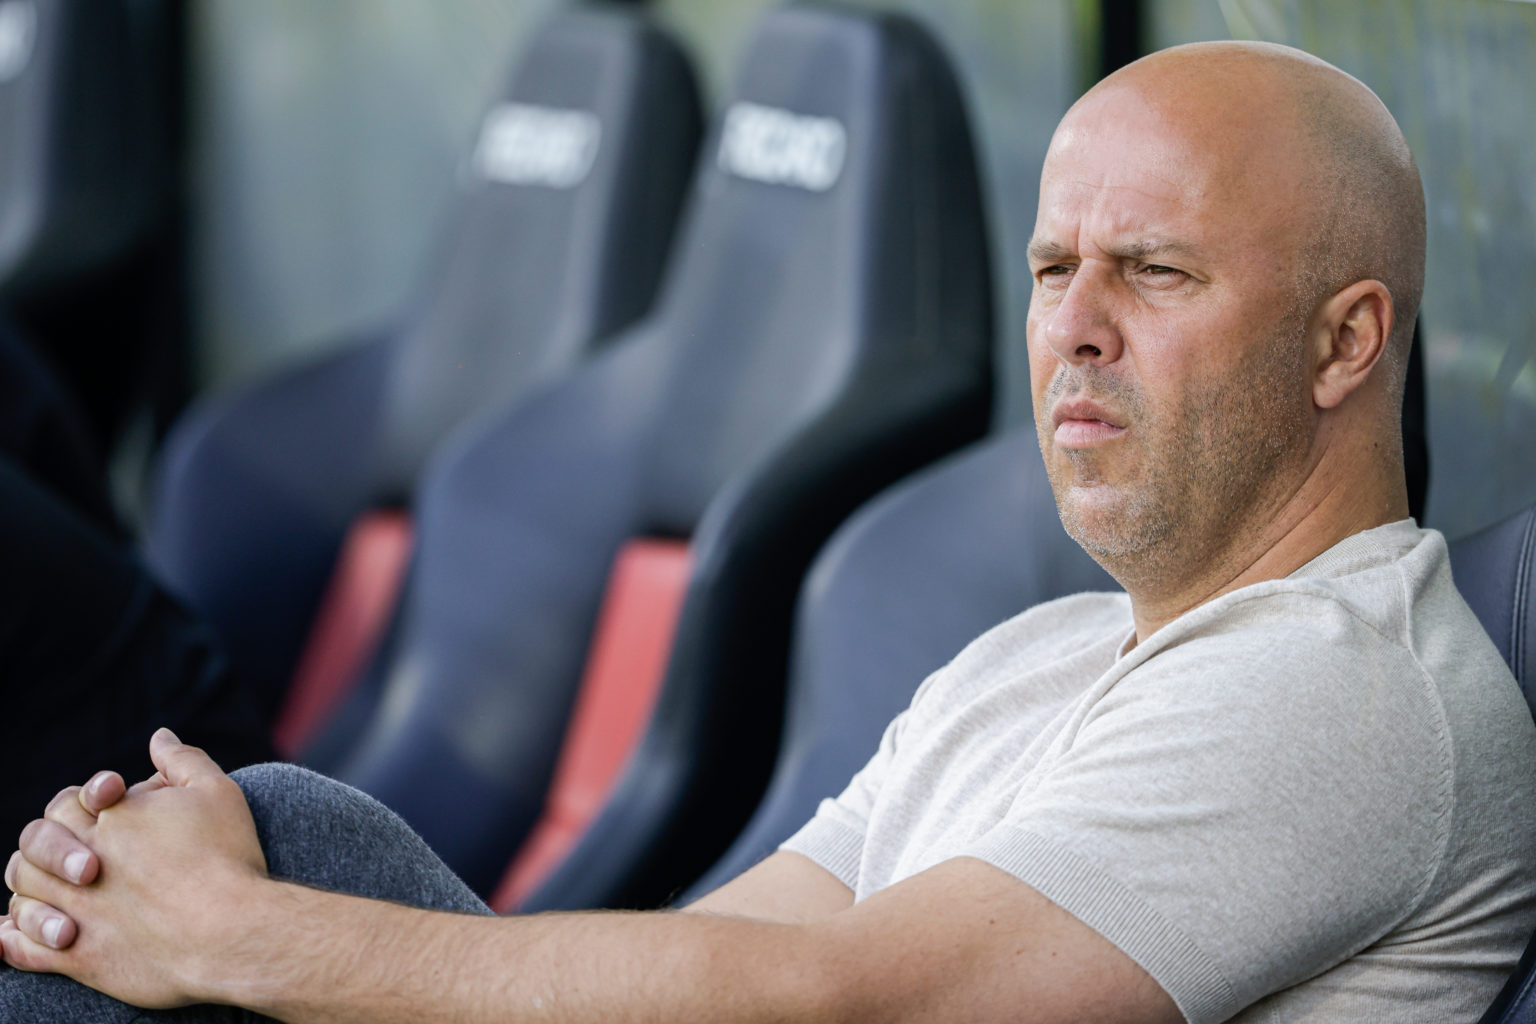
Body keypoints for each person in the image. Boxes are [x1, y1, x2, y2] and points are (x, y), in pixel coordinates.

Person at [4, 38, 1535, 1023]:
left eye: (1155, 272)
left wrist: (238, 935)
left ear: (1345, 347)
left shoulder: (1340, 685)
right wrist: (195, 902)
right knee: (236, 844)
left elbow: (838, 1004)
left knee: (258, 862)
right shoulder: (1032, 661)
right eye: (1053, 266)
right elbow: (723, 945)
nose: (1073, 327)